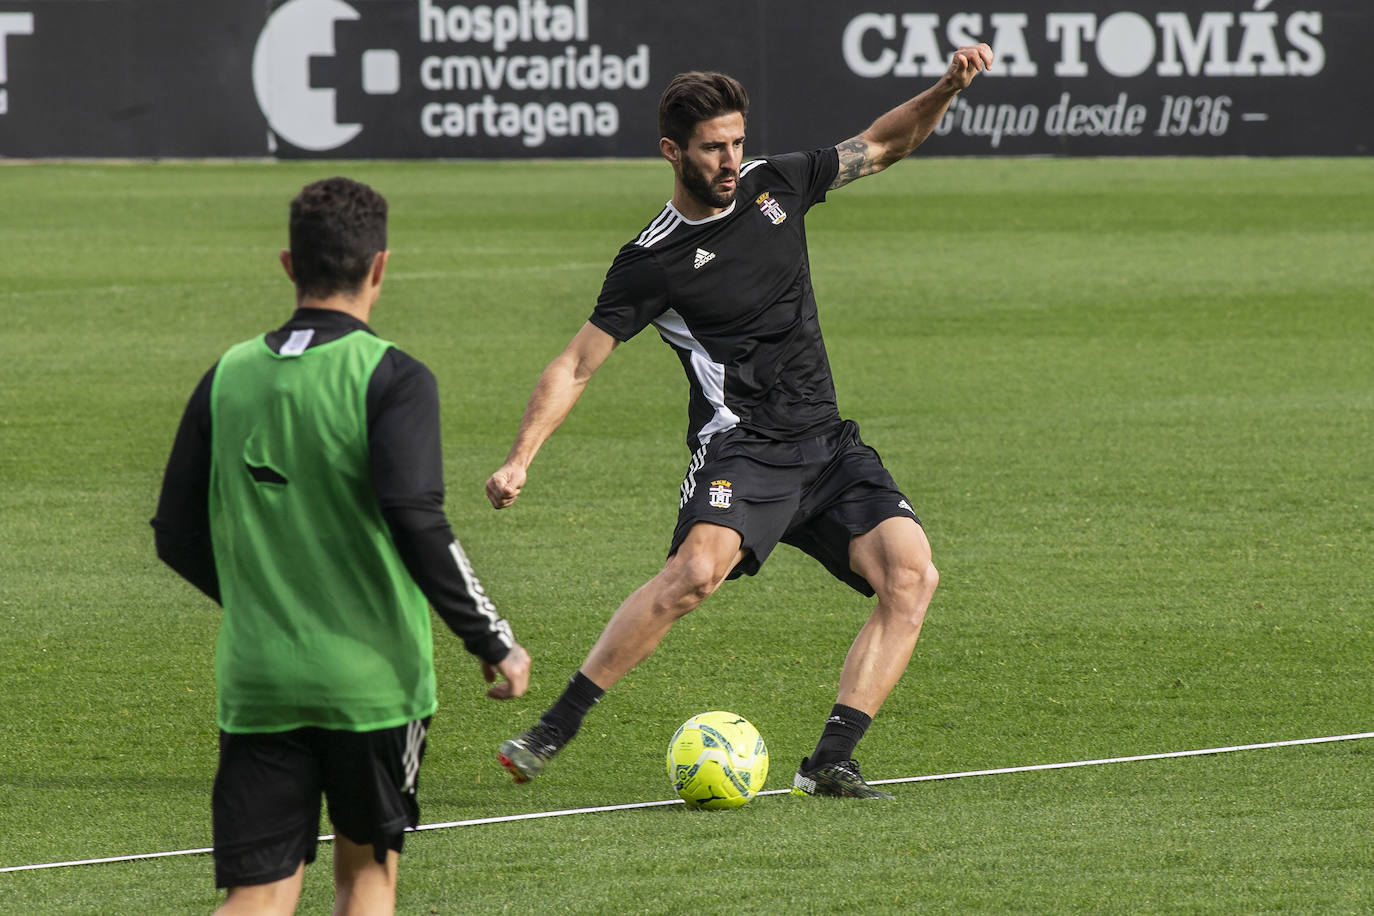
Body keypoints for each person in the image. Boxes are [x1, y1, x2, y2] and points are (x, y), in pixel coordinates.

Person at [487, 44, 994, 799]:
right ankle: (553, 727)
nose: (730, 160)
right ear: (673, 153)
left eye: (735, 142)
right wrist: (521, 455)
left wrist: (947, 88)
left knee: (912, 576)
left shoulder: (776, 183)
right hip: (743, 447)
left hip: (825, 443)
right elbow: (578, 364)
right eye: (712, 148)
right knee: (693, 575)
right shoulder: (651, 261)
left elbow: (883, 144)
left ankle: (830, 761)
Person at [152, 176, 531, 914]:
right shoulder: (393, 378)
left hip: (260, 681)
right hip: (373, 686)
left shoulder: (225, 376)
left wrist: (263, 599)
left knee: (258, 891)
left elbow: (175, 534)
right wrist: (490, 638)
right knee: (365, 873)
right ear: (380, 268)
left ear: (289, 266)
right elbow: (415, 517)